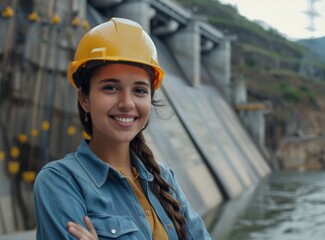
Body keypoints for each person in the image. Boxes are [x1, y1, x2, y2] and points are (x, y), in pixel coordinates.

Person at [33, 18, 211, 240]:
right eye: (110, 87)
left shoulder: (164, 178)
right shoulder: (61, 182)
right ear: (84, 98)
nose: (127, 103)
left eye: (139, 90)